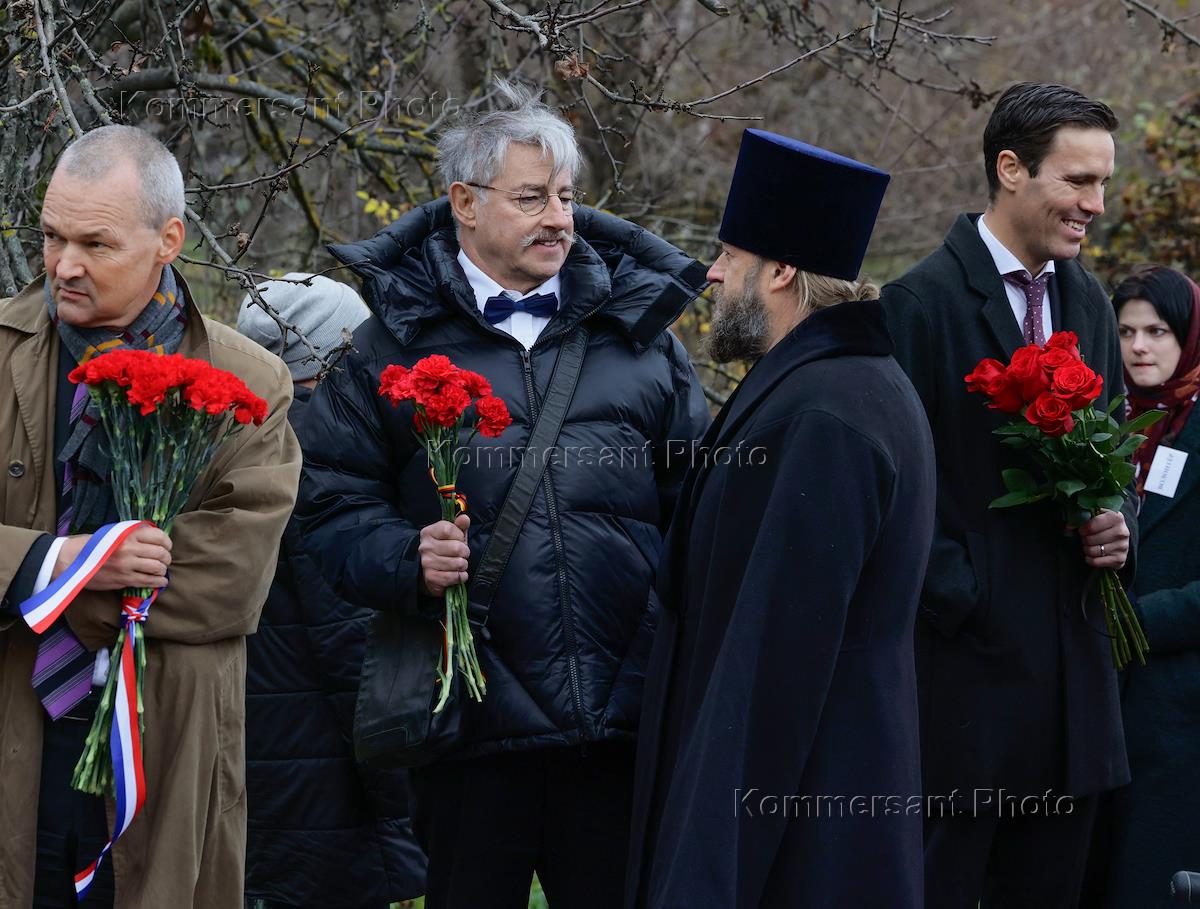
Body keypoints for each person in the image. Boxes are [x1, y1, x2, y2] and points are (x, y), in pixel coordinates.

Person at [295, 80, 710, 909]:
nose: (559, 218)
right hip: (467, 728)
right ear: (466, 203)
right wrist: (405, 558)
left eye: (566, 197)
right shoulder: (385, 348)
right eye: (532, 198)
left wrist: (666, 649)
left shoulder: (640, 339)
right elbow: (330, 506)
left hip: (618, 725)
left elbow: (699, 507)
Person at [625, 129, 936, 909]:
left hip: (805, 837)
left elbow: (770, 668)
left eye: (731, 254)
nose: (713, 272)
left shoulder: (827, 413)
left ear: (782, 269)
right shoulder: (827, 387)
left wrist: (702, 880)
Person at [0, 125, 300, 907]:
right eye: (52, 236)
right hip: (15, 737)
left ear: (169, 239)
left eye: (94, 243)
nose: (64, 265)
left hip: (165, 748)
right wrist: (62, 567)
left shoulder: (250, 379)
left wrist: (54, 601)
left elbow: (232, 577)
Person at [880, 82, 1136, 908]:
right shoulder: (919, 305)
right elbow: (893, 491)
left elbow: (1114, 452)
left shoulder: (1089, 300)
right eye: (1078, 181)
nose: (1096, 204)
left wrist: (1119, 522)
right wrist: (968, 595)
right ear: (1011, 169)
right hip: (967, 691)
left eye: (1103, 182)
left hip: (1074, 695)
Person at [237, 274, 427, 909]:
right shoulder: (319, 455)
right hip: (324, 774)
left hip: (264, 749)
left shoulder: (233, 440)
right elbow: (354, 652)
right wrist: (402, 806)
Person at [1092, 267, 1200, 908]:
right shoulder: (1104, 421)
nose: (1138, 347)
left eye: (1157, 331)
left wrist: (1138, 621)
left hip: (1176, 707)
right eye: (1126, 331)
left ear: (1187, 336)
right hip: (1100, 695)